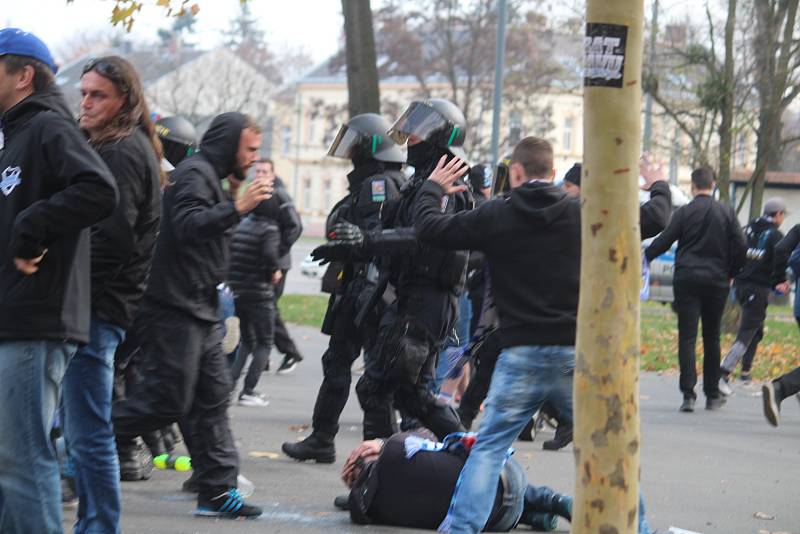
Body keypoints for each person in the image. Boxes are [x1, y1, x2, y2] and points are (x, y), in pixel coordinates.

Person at [412, 137, 668, 533]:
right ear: (552, 174)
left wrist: (432, 188)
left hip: (519, 354)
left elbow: (430, 228)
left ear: (515, 173)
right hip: (572, 355)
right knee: (606, 449)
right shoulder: (581, 213)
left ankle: (461, 528)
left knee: (490, 448)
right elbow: (653, 219)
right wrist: (656, 183)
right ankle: (641, 528)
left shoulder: (497, 214)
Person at [112, 112, 270, 518]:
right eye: (249, 149)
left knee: (212, 401)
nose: (254, 158)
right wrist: (238, 206)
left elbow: (210, 239)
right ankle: (78, 442)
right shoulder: (193, 174)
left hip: (200, 310)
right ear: (229, 143)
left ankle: (216, 492)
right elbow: (186, 225)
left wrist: (233, 197)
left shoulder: (210, 178)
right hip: (173, 308)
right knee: (165, 400)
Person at [0, 28, 118, 533]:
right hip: (16, 316)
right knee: (10, 462)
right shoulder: (15, 132)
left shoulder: (48, 126)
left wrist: (31, 231)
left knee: (24, 460)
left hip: (37, 318)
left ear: (23, 75)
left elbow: (98, 189)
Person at [317, 98, 472, 441]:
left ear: (438, 137)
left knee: (384, 389)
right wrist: (351, 247)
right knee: (398, 393)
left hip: (427, 303)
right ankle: (385, 475)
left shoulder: (449, 184)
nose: (408, 139)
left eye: (417, 133)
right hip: (410, 299)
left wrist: (368, 240)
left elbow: (423, 237)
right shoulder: (422, 182)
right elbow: (395, 231)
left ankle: (469, 458)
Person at [59, 55, 164, 534]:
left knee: (89, 432)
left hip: (96, 310)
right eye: (83, 93)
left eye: (97, 94)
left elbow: (113, 240)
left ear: (125, 99)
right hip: (99, 308)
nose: (86, 102)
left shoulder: (122, 150)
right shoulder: (119, 145)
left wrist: (72, 294)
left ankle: (99, 526)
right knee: (83, 429)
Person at [282, 113, 406, 463]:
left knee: (365, 376)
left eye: (356, 145)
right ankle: (329, 440)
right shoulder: (382, 181)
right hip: (361, 289)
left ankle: (375, 453)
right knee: (345, 366)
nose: (349, 152)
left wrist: (342, 246)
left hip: (366, 293)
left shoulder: (378, 184)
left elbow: (368, 238)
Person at [645, 167, 747, 412]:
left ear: (692, 186)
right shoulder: (726, 212)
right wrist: (732, 271)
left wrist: (644, 256)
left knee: (687, 337)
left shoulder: (685, 212)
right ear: (712, 185)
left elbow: (664, 240)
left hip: (687, 279)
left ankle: (688, 395)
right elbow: (741, 244)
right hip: (717, 281)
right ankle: (712, 394)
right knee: (712, 336)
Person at [341, 432, 573, 531]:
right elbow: (430, 436)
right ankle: (551, 499)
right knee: (472, 473)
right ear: (368, 455)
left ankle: (533, 516)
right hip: (509, 477)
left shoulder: (367, 510)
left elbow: (353, 500)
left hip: (499, 521)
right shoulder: (395, 449)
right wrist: (381, 442)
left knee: (457, 501)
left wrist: (355, 492)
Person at [719, 197, 787, 394]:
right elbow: (778, 261)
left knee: (756, 330)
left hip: (740, 286)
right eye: (783, 216)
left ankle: (745, 373)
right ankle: (723, 373)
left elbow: (735, 250)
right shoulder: (776, 235)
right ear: (779, 215)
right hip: (757, 288)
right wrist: (780, 281)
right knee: (747, 331)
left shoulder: (747, 228)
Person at [249, 159, 304, 374]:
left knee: (267, 308)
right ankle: (262, 356)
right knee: (260, 308)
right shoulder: (256, 193)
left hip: (277, 264)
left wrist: (277, 253)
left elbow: (295, 226)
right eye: (258, 171)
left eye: (265, 171)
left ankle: (289, 353)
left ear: (272, 174)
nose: (261, 174)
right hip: (261, 262)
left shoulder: (280, 195)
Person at [228, 201, 282, 407]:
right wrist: (274, 270)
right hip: (259, 292)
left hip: (239, 290)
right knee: (264, 342)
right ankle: (248, 391)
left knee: (247, 341)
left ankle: (229, 387)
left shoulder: (243, 224)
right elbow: (269, 254)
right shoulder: (270, 228)